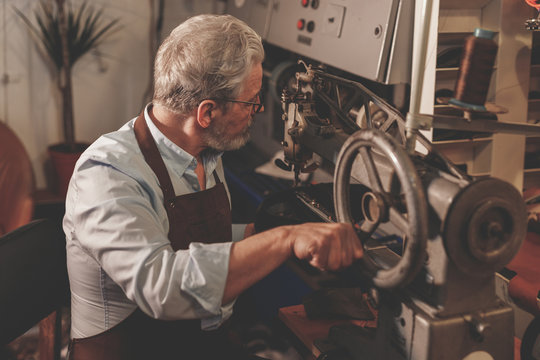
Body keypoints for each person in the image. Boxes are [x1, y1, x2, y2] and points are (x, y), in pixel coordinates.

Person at [63, 14, 363, 360]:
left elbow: (184, 240)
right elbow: (162, 288)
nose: (259, 108)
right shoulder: (108, 175)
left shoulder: (201, 149)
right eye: (251, 100)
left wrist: (257, 233)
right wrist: (284, 240)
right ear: (206, 113)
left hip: (194, 344)